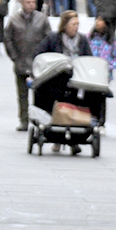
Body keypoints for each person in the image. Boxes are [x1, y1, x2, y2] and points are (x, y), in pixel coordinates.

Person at [36, 11, 94, 152]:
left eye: (77, 24)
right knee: (56, 102)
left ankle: (74, 140)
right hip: (57, 80)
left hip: (77, 80)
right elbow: (40, 54)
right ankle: (57, 137)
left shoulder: (82, 40)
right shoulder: (53, 38)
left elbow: (88, 59)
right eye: (73, 24)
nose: (76, 27)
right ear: (65, 25)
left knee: (80, 102)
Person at [3, 0, 52, 130]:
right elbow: (8, 39)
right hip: (21, 62)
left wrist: (45, 58)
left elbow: (49, 38)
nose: (31, 5)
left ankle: (38, 121)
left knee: (40, 94)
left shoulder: (42, 18)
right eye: (28, 2)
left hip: (39, 64)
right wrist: (14, 57)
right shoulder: (14, 20)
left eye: (33, 2)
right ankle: (24, 120)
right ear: (21, 3)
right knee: (22, 95)